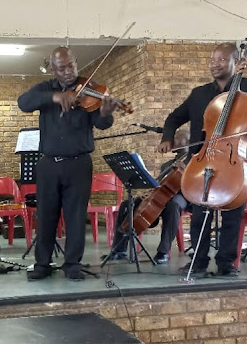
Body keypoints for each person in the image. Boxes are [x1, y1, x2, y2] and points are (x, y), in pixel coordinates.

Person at [157, 42, 247, 277]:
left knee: (233, 213)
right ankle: (197, 262)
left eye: (221, 60)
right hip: (206, 159)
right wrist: (167, 137)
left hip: (236, 160)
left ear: (234, 62)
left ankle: (226, 263)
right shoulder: (200, 94)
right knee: (201, 213)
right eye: (212, 60)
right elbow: (173, 117)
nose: (215, 64)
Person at [18, 47, 116, 281]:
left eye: (71, 65)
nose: (68, 71)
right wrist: (55, 97)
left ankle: (72, 264)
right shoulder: (45, 89)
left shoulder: (91, 91)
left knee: (75, 216)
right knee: (46, 215)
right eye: (61, 68)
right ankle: (42, 263)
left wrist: (105, 112)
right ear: (53, 69)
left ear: (75, 63)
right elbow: (24, 102)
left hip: (79, 163)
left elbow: (103, 124)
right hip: (49, 163)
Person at [109, 129, 190, 264]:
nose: (172, 140)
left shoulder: (194, 161)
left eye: (176, 138)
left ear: (188, 141)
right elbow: (161, 185)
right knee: (126, 204)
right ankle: (119, 249)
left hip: (184, 196)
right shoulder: (167, 164)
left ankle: (163, 252)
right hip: (162, 196)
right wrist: (151, 191)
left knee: (173, 205)